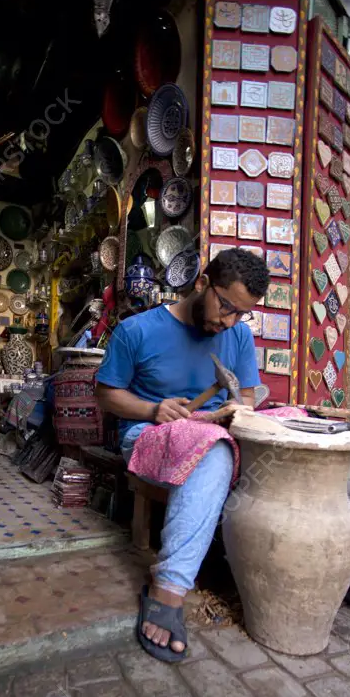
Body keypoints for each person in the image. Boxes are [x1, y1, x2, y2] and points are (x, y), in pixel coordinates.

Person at [96, 247, 269, 662]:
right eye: (225, 306)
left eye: (240, 314)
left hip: (210, 434)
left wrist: (232, 412)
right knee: (215, 454)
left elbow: (246, 395)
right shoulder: (136, 331)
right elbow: (105, 394)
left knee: (285, 435)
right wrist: (153, 410)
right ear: (202, 283)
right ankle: (168, 588)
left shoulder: (237, 335)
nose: (228, 322)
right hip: (148, 434)